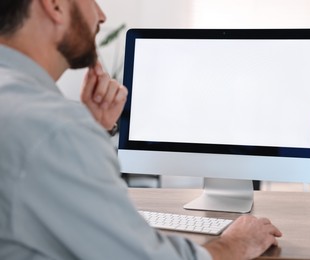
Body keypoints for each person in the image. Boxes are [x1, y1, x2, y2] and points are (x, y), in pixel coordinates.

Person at [0, 1, 282, 259]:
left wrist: (91, 131)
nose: (101, 15)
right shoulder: (52, 129)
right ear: (55, 6)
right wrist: (235, 243)